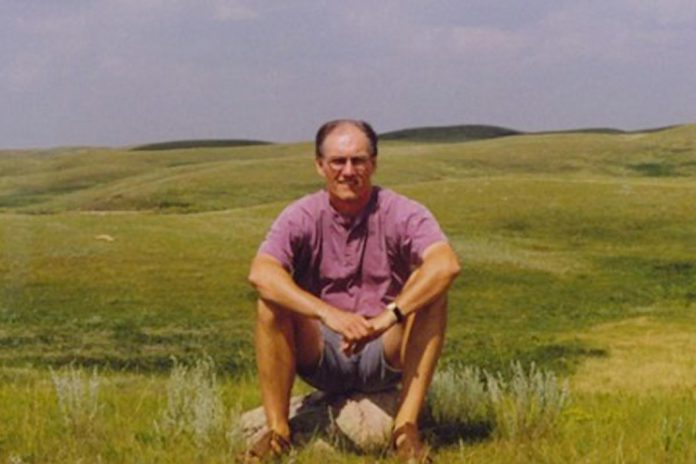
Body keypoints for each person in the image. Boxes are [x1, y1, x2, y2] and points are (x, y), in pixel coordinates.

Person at [245, 119, 460, 462]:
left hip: (385, 347)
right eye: (338, 162)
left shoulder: (402, 211)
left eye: (358, 160)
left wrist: (383, 320)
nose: (348, 171)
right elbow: (261, 272)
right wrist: (329, 314)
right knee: (270, 303)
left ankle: (405, 432)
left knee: (434, 296)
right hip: (322, 348)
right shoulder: (301, 215)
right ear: (320, 166)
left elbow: (445, 264)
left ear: (373, 164)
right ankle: (278, 431)